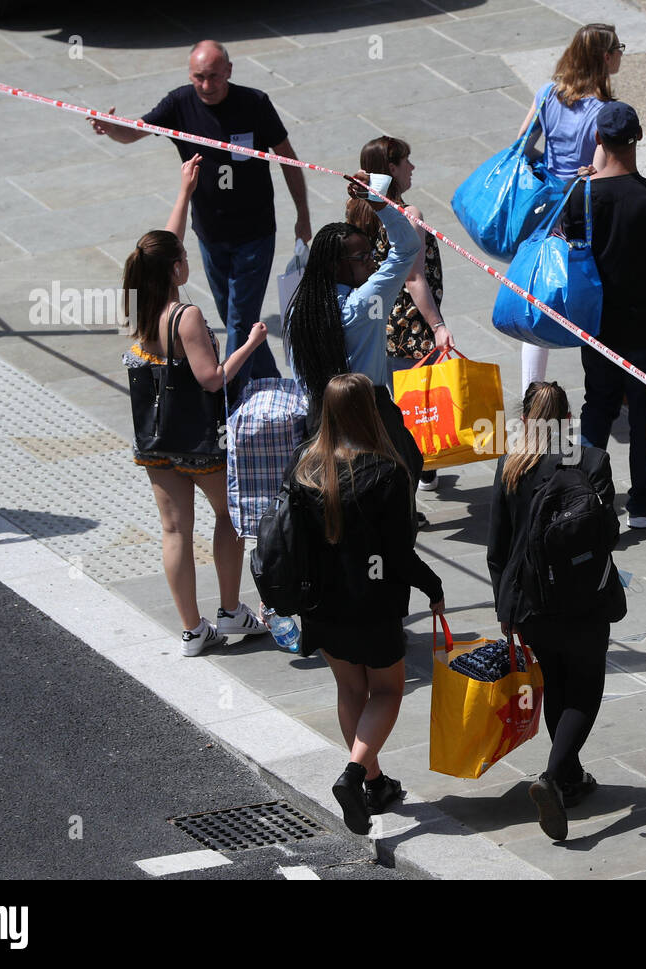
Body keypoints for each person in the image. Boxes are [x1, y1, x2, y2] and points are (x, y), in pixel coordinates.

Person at [90, 40, 312, 394]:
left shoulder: (254, 103)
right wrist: (110, 127)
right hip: (209, 235)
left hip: (254, 233)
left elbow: (289, 159)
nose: (206, 86)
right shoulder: (179, 103)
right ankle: (274, 385)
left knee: (239, 319)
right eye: (198, 77)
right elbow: (135, 131)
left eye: (213, 76)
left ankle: (233, 398)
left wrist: (303, 214)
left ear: (229, 71)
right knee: (234, 316)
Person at [122, 155, 270, 656]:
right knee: (228, 517)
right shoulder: (186, 316)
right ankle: (231, 611)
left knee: (174, 530)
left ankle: (192, 630)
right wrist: (248, 344)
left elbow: (163, 246)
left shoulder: (138, 306)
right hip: (201, 440)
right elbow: (212, 380)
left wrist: (184, 193)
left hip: (155, 439)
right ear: (177, 269)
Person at [291, 372, 445, 835]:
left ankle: (374, 783)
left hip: (322, 603)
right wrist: (432, 586)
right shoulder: (387, 472)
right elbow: (399, 554)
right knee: (387, 692)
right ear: (369, 412)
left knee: (349, 690)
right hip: (372, 603)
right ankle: (355, 774)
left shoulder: (304, 467)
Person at [486, 381, 625, 842]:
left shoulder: (511, 466)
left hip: (529, 605)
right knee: (584, 691)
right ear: (568, 421)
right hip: (585, 601)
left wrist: (504, 604)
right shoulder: (591, 463)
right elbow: (610, 535)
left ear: (525, 420)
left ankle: (568, 777)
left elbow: (497, 547)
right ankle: (553, 777)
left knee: (557, 684)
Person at [561, 101, 646, 529]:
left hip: (597, 327)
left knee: (597, 408)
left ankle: (581, 499)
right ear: (638, 138)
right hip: (645, 330)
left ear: (598, 139)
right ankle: (645, 503)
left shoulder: (579, 196)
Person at [284, 172, 427, 519]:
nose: (371, 263)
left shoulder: (298, 311)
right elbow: (407, 247)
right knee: (394, 491)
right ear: (337, 265)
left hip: (319, 418)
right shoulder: (362, 304)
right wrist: (379, 204)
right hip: (370, 413)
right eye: (363, 258)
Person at [513, 23, 623, 395]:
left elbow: (522, 145)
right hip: (585, 212)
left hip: (546, 207)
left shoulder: (547, 94)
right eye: (619, 49)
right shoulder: (606, 112)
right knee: (595, 292)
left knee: (538, 297)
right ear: (605, 58)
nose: (622, 54)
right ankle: (611, 386)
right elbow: (601, 169)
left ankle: (531, 393)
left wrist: (552, 168)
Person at [346, 136, 452, 492]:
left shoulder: (356, 212)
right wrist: (437, 325)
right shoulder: (409, 215)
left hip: (377, 327)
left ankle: (411, 477)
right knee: (415, 413)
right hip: (410, 329)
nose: (412, 168)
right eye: (407, 161)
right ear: (391, 169)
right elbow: (414, 276)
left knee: (388, 409)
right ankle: (415, 476)